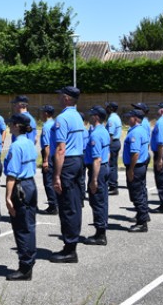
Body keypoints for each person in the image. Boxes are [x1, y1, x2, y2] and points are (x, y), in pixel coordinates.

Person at [50, 86, 84, 263]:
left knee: (67, 206)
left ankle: (70, 249)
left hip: (68, 163)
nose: (59, 99)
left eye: (61, 96)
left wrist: (56, 176)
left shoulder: (62, 119)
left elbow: (60, 149)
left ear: (66, 98)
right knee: (75, 204)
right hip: (78, 160)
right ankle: (71, 244)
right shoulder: (78, 116)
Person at [3, 114, 38, 280]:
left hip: (20, 187)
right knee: (29, 226)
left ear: (17, 125)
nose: (9, 126)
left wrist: (8, 197)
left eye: (11, 123)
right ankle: (29, 261)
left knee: (21, 228)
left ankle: (25, 267)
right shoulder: (29, 142)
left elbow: (12, 174)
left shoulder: (16, 146)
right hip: (30, 184)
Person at [83, 106, 110, 246]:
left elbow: (96, 159)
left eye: (92, 114)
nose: (89, 116)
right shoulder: (103, 131)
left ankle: (100, 234)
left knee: (97, 201)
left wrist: (94, 179)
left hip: (98, 170)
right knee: (102, 200)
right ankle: (102, 228)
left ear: (97, 117)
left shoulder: (95, 134)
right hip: (104, 167)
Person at [123, 109, 150, 232]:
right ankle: (142, 217)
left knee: (137, 195)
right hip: (141, 166)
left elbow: (135, 153)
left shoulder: (135, 133)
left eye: (130, 117)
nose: (128, 119)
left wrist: (131, 170)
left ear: (135, 118)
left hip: (136, 167)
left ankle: (142, 223)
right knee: (141, 193)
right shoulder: (141, 130)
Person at [39, 105, 58, 215]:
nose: (41, 114)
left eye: (42, 112)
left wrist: (45, 160)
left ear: (46, 113)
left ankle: (53, 205)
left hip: (49, 155)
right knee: (54, 178)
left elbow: (46, 145)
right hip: (55, 154)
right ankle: (56, 202)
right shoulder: (54, 123)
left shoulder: (46, 126)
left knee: (48, 181)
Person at [105, 102, 122, 195]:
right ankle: (113, 185)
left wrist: (107, 147)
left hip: (112, 143)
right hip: (116, 142)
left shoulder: (111, 119)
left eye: (107, 107)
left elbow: (110, 135)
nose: (106, 108)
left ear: (110, 108)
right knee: (113, 165)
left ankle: (113, 186)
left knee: (111, 165)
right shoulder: (117, 117)